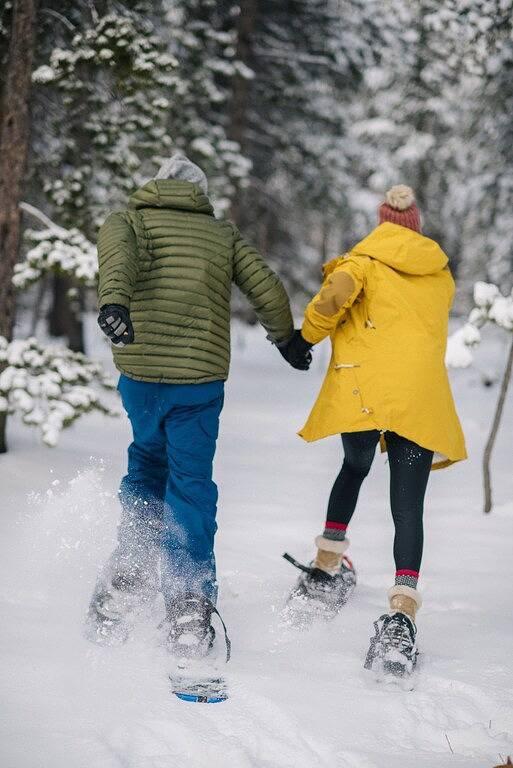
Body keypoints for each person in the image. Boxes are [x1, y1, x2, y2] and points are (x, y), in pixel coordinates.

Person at [88, 153, 308, 657]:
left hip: (140, 376)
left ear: (158, 185)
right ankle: (188, 601)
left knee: (145, 462)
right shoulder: (222, 235)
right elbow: (268, 288)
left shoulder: (130, 221)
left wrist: (115, 305)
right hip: (199, 382)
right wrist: (287, 340)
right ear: (199, 195)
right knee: (189, 480)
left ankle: (132, 572)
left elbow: (116, 260)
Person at [284, 185, 466, 676]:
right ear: (416, 229)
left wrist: (305, 339)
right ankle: (403, 611)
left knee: (354, 467)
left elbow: (333, 298)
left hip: (364, 390)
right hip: (418, 397)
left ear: (382, 224)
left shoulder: (361, 261)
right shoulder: (439, 274)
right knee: (408, 504)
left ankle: (325, 568)